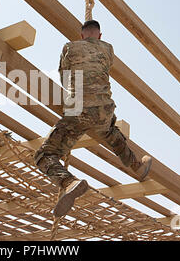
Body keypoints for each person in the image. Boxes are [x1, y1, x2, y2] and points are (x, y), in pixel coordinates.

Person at [33, 20, 152, 218]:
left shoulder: (69, 47)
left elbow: (64, 77)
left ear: (81, 35)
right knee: (111, 132)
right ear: (100, 35)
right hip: (105, 110)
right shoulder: (108, 49)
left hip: (79, 111)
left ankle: (69, 182)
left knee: (44, 155)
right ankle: (137, 167)